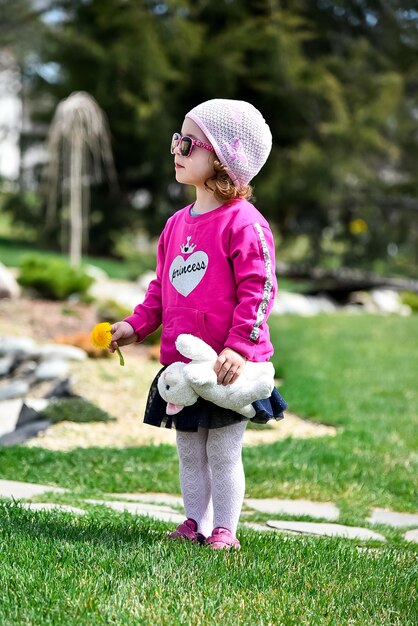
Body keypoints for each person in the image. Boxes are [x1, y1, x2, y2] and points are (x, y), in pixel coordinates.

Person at [110, 99, 287, 550]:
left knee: (222, 452)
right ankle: (195, 522)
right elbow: (162, 289)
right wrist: (137, 326)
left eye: (188, 142)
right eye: (176, 139)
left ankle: (225, 529)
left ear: (225, 157)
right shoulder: (175, 226)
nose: (176, 149)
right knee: (190, 451)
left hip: (228, 367)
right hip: (184, 368)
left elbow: (260, 291)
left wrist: (238, 347)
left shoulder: (244, 224)